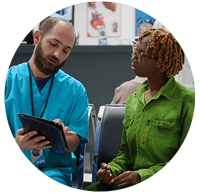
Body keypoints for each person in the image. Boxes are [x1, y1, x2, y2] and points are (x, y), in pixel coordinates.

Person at [84, 28, 195, 191]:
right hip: (130, 181)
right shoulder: (134, 99)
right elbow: (126, 155)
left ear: (162, 61)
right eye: (136, 51)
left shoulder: (187, 100)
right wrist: (111, 170)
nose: (134, 58)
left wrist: (142, 176)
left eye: (142, 55)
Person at [4, 17, 89, 187]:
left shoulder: (76, 91)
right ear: (37, 37)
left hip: (53, 171)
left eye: (66, 50)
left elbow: (74, 143)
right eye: (53, 44)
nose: (57, 54)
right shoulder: (8, 81)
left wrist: (63, 138)